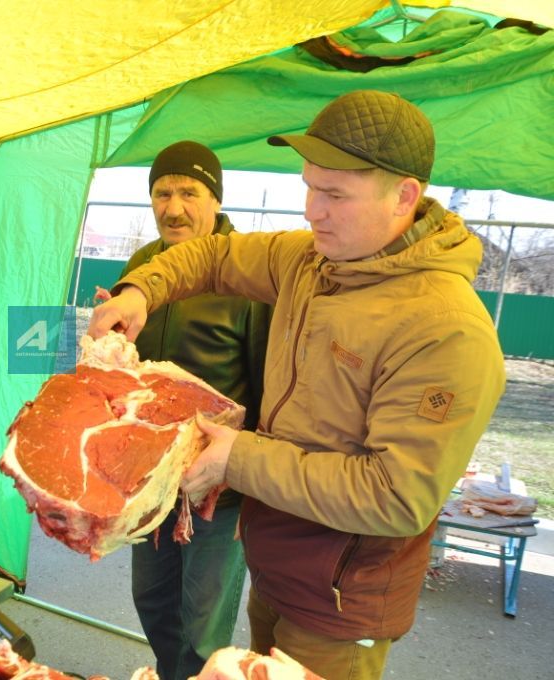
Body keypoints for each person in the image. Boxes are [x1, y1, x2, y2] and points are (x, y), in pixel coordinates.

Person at [89, 91, 505, 679]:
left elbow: (397, 495)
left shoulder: (445, 329)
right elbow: (211, 257)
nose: (313, 211)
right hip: (277, 570)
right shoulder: (310, 260)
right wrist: (141, 291)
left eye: (334, 195)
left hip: (341, 604)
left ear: (404, 197)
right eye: (310, 187)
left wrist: (240, 458)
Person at [124, 141, 270, 680]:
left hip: (218, 489)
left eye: (189, 192)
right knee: (153, 602)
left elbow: (270, 387)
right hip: (152, 480)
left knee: (204, 625)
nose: (173, 206)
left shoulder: (248, 276)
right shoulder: (143, 265)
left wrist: (249, 482)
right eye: (162, 192)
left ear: (215, 199)